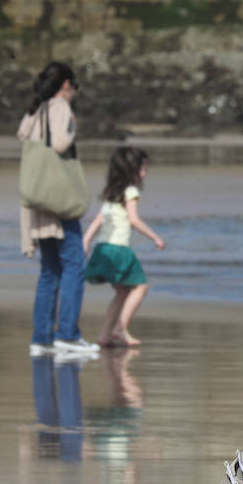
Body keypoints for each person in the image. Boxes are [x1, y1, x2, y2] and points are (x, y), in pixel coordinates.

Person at [18, 61, 99, 360]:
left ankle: (42, 338)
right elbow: (63, 143)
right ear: (65, 85)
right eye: (74, 85)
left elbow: (22, 135)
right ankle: (68, 334)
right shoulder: (60, 106)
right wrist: (73, 122)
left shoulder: (35, 109)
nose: (75, 91)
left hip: (38, 199)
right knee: (75, 263)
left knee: (50, 269)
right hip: (58, 199)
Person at [82, 146, 164, 347]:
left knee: (122, 292)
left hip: (103, 249)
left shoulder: (112, 192)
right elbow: (134, 220)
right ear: (133, 170)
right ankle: (120, 328)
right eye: (143, 168)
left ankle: (105, 335)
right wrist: (155, 237)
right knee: (141, 287)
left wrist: (86, 241)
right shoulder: (131, 192)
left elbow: (98, 220)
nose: (145, 173)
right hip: (119, 250)